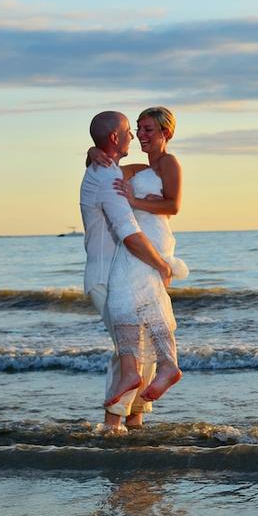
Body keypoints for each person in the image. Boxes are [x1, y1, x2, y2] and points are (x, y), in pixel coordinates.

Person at [89, 106, 187, 414]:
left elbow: (173, 205)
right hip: (140, 239)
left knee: (125, 296)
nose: (141, 135)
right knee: (140, 302)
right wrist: (93, 151)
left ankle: (158, 367)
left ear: (165, 133)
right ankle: (155, 368)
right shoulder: (139, 168)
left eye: (148, 130)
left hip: (151, 239)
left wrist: (134, 201)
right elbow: (110, 167)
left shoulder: (169, 162)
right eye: (139, 129)